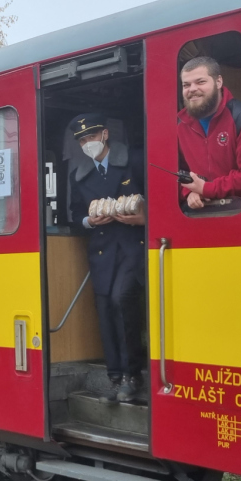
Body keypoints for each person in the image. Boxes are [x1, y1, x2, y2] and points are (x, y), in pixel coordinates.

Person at [68, 113, 145, 403]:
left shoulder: (134, 160)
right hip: (101, 250)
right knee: (104, 311)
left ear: (105, 134)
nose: (88, 143)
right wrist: (88, 221)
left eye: (92, 136)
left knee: (120, 300)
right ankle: (115, 378)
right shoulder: (80, 174)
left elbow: (159, 198)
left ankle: (132, 374)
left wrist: (143, 217)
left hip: (131, 246)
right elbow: (74, 214)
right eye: (82, 139)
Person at [177, 56, 241, 209]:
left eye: (200, 82)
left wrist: (206, 189)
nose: (192, 89)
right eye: (186, 85)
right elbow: (177, 173)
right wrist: (189, 192)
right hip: (200, 217)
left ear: (218, 82)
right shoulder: (179, 125)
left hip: (240, 216)